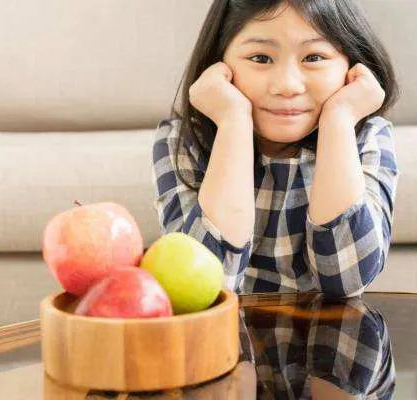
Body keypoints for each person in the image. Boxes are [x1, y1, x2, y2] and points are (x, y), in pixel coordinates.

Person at [151, 0, 400, 298]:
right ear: (217, 65)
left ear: (351, 66)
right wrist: (233, 120)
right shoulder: (182, 139)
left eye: (314, 56)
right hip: (223, 340)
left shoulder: (366, 135)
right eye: (260, 58)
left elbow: (348, 279)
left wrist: (339, 119)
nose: (287, 86)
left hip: (331, 340)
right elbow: (208, 288)